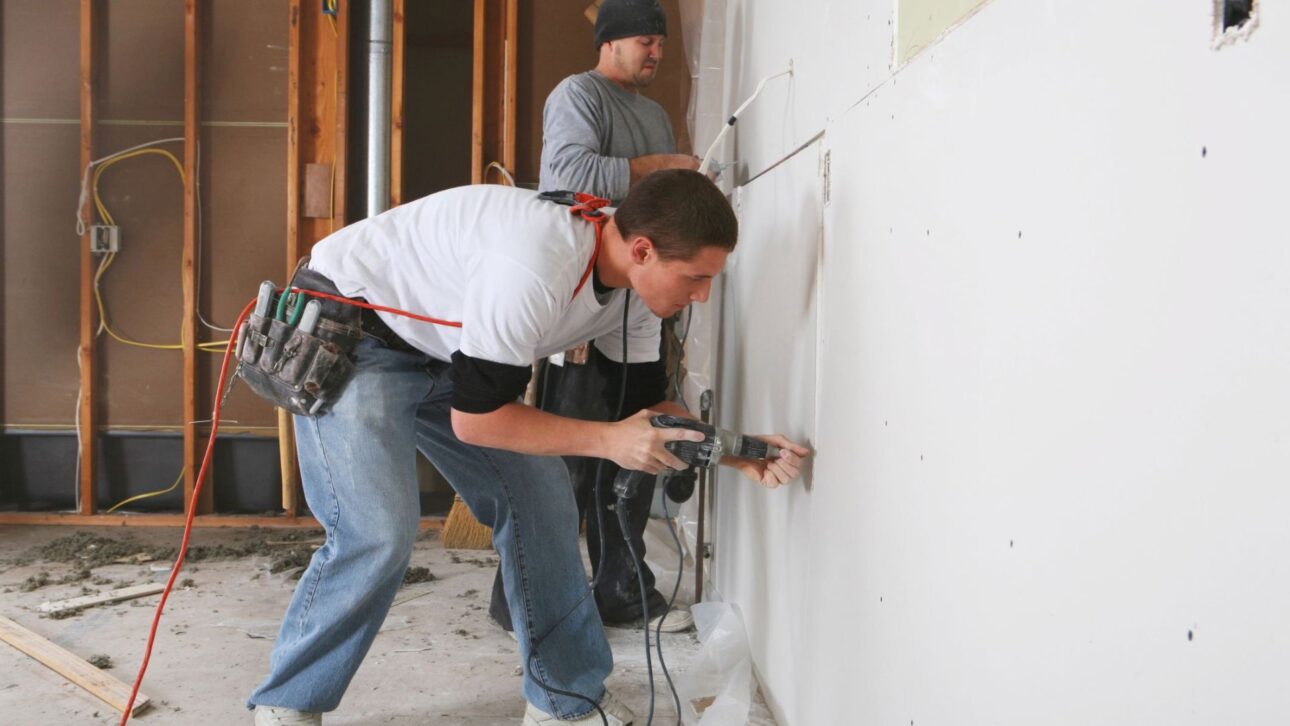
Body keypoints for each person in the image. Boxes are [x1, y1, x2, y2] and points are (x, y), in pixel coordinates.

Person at [247, 169, 810, 726]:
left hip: (448, 351)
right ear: (642, 250)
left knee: (541, 502)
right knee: (377, 531)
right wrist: (610, 441)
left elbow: (645, 408)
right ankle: (287, 702)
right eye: (696, 277)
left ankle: (562, 701)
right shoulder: (537, 267)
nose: (703, 295)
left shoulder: (636, 293)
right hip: (353, 329)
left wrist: (733, 450)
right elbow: (477, 421)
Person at [487, 0, 705, 640]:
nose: (656, 52)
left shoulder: (654, 115)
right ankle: (523, 599)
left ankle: (621, 587)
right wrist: (663, 168)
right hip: (585, 299)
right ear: (609, 42)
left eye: (660, 42)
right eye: (644, 40)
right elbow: (567, 177)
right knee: (570, 463)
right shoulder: (577, 95)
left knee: (639, 445)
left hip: (641, 305)